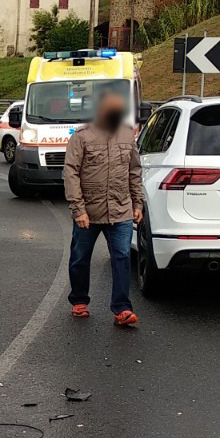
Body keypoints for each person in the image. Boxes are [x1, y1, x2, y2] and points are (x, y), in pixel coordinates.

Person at [62, 90, 143, 326]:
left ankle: (122, 309)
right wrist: (79, 210)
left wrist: (138, 203)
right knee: (80, 258)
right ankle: (79, 300)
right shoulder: (82, 137)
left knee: (122, 256)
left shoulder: (127, 136)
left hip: (121, 210)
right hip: (89, 211)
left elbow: (134, 172)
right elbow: (71, 174)